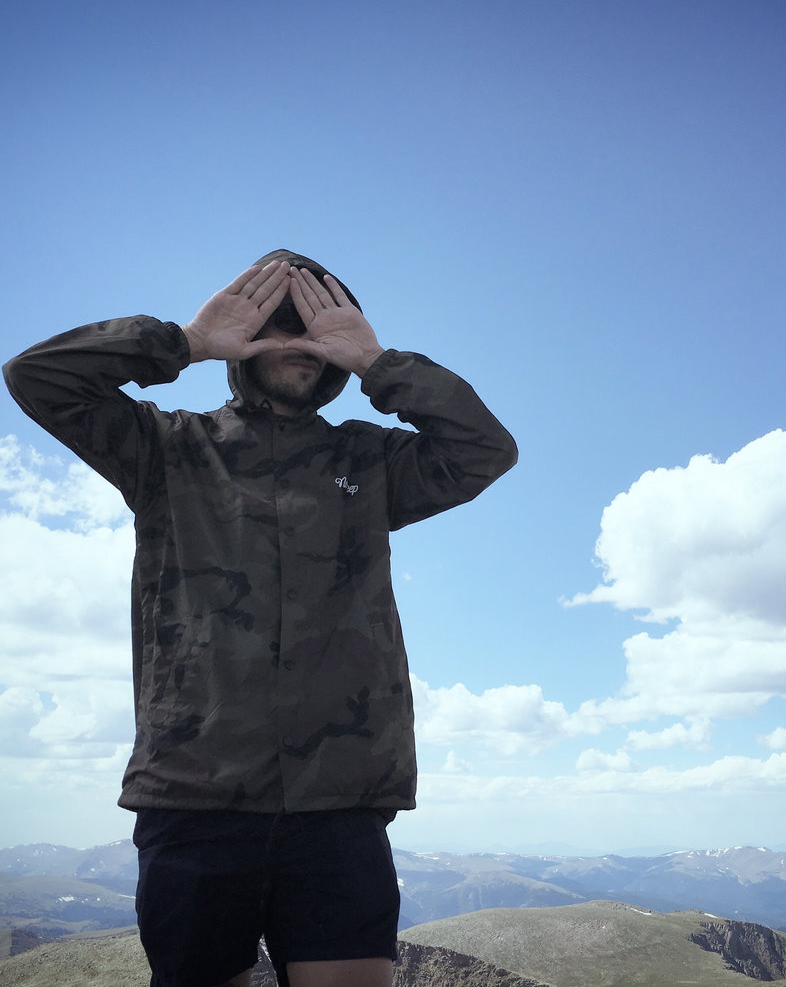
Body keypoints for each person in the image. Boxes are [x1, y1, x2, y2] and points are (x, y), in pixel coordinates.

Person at [3, 250, 518, 987]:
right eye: (276, 325)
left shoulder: (370, 461)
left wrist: (379, 364)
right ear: (241, 341)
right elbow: (36, 376)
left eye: (315, 327)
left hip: (339, 802)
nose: (298, 343)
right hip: (195, 793)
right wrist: (185, 341)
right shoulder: (165, 448)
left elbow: (485, 450)